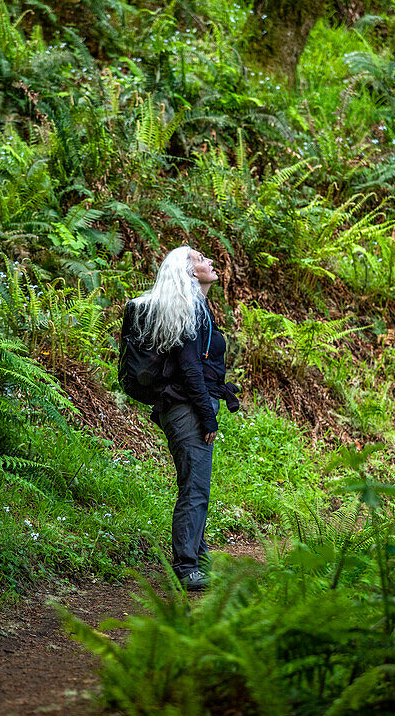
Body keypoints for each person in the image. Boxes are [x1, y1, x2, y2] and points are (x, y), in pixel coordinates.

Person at [127, 246, 239, 591]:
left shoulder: (195, 307)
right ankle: (187, 565)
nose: (209, 262)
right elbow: (191, 370)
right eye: (200, 259)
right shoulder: (189, 310)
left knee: (194, 483)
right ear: (189, 272)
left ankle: (199, 557)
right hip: (189, 409)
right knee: (195, 487)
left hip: (183, 407)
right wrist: (208, 417)